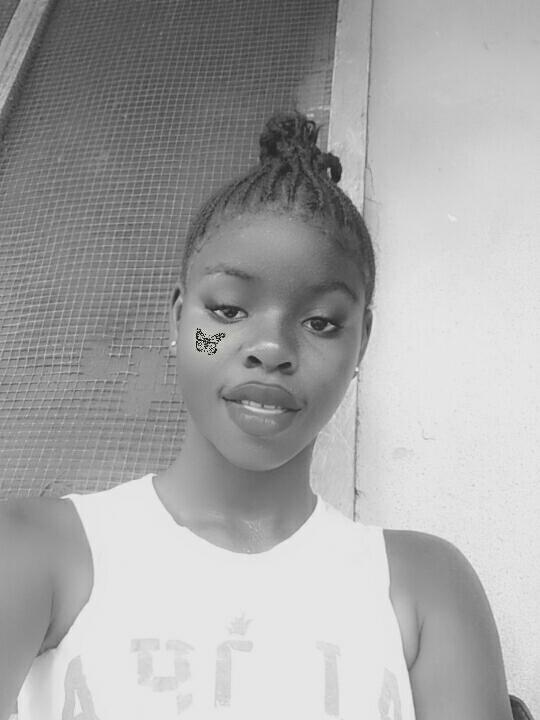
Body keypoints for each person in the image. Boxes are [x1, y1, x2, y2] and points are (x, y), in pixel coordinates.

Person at [0, 110, 514, 720]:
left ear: (361, 346)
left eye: (320, 323)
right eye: (227, 312)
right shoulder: (38, 551)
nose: (270, 349)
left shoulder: (425, 589)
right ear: (180, 321)